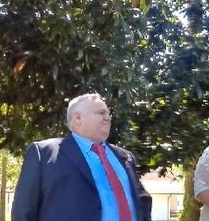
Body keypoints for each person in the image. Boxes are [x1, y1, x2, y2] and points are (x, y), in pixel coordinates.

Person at [12, 93, 152, 221]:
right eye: (101, 112)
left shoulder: (125, 157)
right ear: (78, 118)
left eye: (109, 114)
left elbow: (142, 202)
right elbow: (23, 211)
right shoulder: (43, 154)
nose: (108, 118)